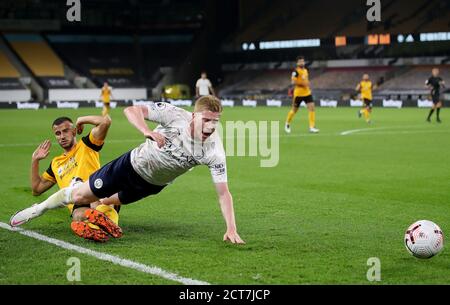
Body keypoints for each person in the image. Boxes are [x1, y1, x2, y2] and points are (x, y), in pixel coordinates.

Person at [11, 96, 245, 244]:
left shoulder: (214, 150)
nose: (211, 126)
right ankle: (38, 208)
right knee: (81, 195)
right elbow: (131, 110)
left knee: (106, 202)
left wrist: (231, 228)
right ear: (195, 115)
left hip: (151, 186)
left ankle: (86, 212)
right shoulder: (174, 115)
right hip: (130, 167)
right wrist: (147, 130)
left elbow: (224, 193)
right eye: (207, 120)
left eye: (216, 121)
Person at [14, 115, 121, 242]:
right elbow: (36, 189)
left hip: (97, 190)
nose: (62, 136)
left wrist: (81, 120)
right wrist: (35, 160)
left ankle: (99, 225)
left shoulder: (87, 145)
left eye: (65, 131)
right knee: (77, 215)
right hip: (77, 201)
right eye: (57, 133)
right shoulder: (55, 163)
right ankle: (100, 226)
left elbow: (105, 121)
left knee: (98, 201)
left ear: (74, 131)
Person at [285, 56, 319, 134]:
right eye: (300, 61)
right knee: (294, 110)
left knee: (312, 108)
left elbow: (306, 80)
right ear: (297, 63)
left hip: (307, 93)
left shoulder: (306, 70)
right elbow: (293, 82)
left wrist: (307, 84)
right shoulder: (295, 71)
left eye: (303, 61)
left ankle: (312, 127)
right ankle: (287, 123)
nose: (302, 63)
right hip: (298, 94)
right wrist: (303, 84)